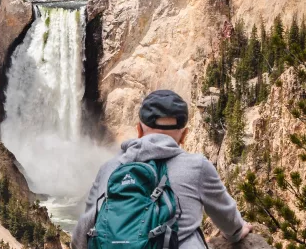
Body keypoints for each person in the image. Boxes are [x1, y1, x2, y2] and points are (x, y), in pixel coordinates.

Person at [71, 90, 252, 249]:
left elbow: (81, 236)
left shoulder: (109, 169)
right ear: (184, 135)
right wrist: (237, 232)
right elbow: (228, 220)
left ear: (139, 130)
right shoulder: (197, 167)